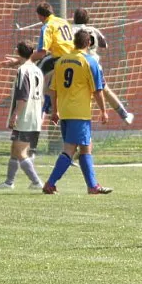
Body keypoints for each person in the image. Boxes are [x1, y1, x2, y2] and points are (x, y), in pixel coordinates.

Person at [42, 29, 112, 195]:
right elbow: (97, 90)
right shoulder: (89, 61)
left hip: (65, 112)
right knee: (70, 149)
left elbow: (53, 89)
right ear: (88, 43)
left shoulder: (61, 61)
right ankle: (50, 183)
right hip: (79, 113)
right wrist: (104, 110)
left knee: (86, 147)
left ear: (74, 42)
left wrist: (55, 111)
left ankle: (92, 186)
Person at [4, 2, 74, 157]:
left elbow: (42, 52)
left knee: (32, 73)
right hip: (72, 60)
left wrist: (17, 61)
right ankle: (49, 103)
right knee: (54, 94)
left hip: (59, 60)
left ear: (40, 16)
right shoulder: (63, 21)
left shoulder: (47, 27)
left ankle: (29, 98)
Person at [0, 41, 45, 190]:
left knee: (20, 151)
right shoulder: (37, 70)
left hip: (25, 116)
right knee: (14, 149)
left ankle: (36, 182)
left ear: (17, 52)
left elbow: (23, 97)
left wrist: (15, 115)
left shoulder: (23, 70)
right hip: (34, 115)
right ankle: (9, 182)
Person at [72, 8, 134, 125]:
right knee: (104, 90)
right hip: (93, 65)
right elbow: (104, 45)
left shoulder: (70, 29)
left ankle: (51, 107)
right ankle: (124, 114)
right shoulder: (93, 30)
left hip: (77, 64)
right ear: (87, 19)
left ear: (74, 18)